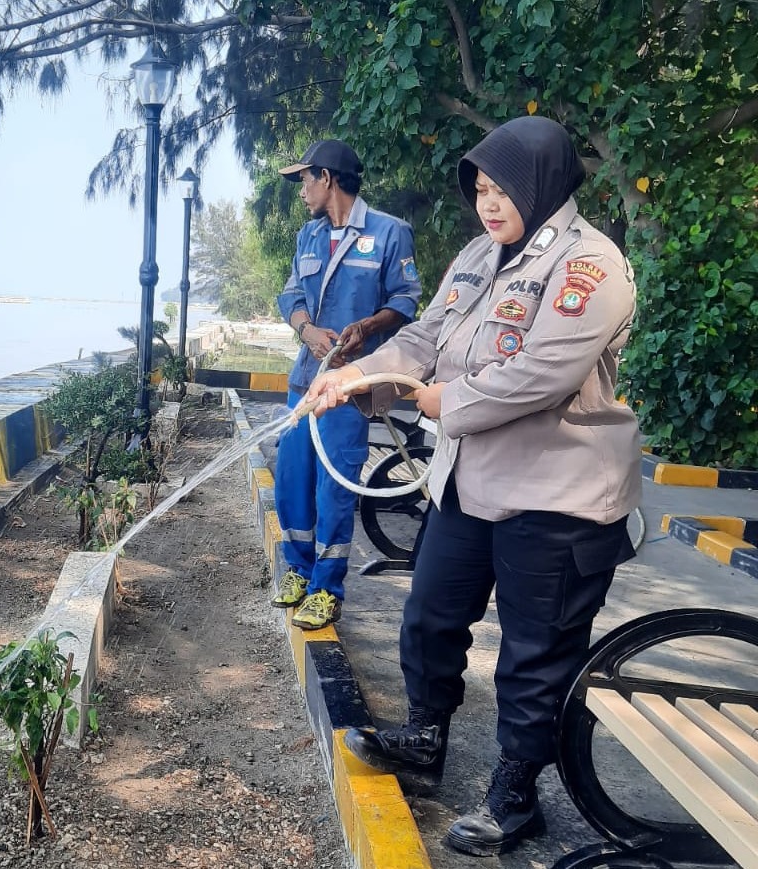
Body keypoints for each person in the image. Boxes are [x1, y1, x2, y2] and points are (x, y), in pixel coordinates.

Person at [304, 116, 641, 856]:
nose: (489, 203)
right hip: (470, 479)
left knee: (534, 651)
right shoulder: (478, 256)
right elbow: (425, 338)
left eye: (502, 189)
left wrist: (442, 402)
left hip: (558, 495)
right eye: (480, 189)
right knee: (429, 615)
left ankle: (515, 796)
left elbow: (544, 371)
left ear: (542, 185)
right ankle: (425, 737)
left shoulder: (592, 265)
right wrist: (356, 375)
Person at [271, 139, 422, 630]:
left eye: (305, 181)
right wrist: (306, 329)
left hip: (349, 387)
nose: (301, 192)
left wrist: (367, 327)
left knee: (334, 488)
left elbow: (405, 301)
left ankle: (326, 588)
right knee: (293, 479)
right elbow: (292, 291)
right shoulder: (308, 237)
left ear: (327, 178)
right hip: (305, 379)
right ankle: (298, 568)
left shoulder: (389, 233)